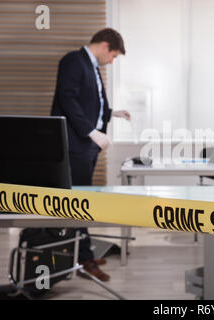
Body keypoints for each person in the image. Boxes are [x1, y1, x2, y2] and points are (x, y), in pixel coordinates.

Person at [50, 28, 130, 281]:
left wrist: (111, 113)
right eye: (114, 56)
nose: (112, 61)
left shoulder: (92, 67)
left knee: (81, 199)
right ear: (106, 46)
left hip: (86, 146)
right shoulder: (74, 60)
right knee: (78, 203)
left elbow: (90, 101)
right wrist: (91, 132)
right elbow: (68, 99)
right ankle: (83, 259)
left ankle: (82, 252)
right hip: (75, 144)